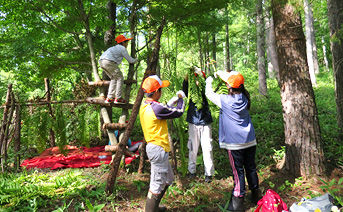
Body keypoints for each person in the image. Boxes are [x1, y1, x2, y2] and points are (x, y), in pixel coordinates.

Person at [205, 71, 259, 211]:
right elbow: (234, 81)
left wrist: (209, 80)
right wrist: (222, 74)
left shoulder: (225, 100)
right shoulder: (245, 98)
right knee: (251, 168)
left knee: (238, 172)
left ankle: (238, 203)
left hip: (235, 144)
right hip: (249, 140)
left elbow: (209, 94)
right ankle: (255, 196)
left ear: (229, 86)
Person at [139, 75, 185, 212]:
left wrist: (172, 101)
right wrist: (181, 99)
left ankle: (155, 207)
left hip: (155, 148)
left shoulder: (145, 105)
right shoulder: (156, 109)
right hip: (158, 149)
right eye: (161, 89)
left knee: (168, 179)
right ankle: (151, 210)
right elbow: (179, 111)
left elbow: (161, 108)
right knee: (156, 184)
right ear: (157, 91)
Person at [182, 67, 214, 183]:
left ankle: (209, 174)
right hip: (193, 120)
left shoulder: (205, 88)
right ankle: (191, 171)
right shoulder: (190, 90)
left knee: (207, 148)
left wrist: (202, 77)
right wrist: (187, 77)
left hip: (205, 121)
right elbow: (184, 91)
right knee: (192, 147)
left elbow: (210, 88)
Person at [99, 34, 138, 104]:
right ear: (123, 42)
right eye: (126, 42)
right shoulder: (122, 48)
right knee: (120, 77)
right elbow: (130, 60)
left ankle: (110, 97)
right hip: (109, 61)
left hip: (101, 61)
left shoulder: (114, 48)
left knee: (114, 78)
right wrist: (136, 60)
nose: (127, 44)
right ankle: (118, 98)